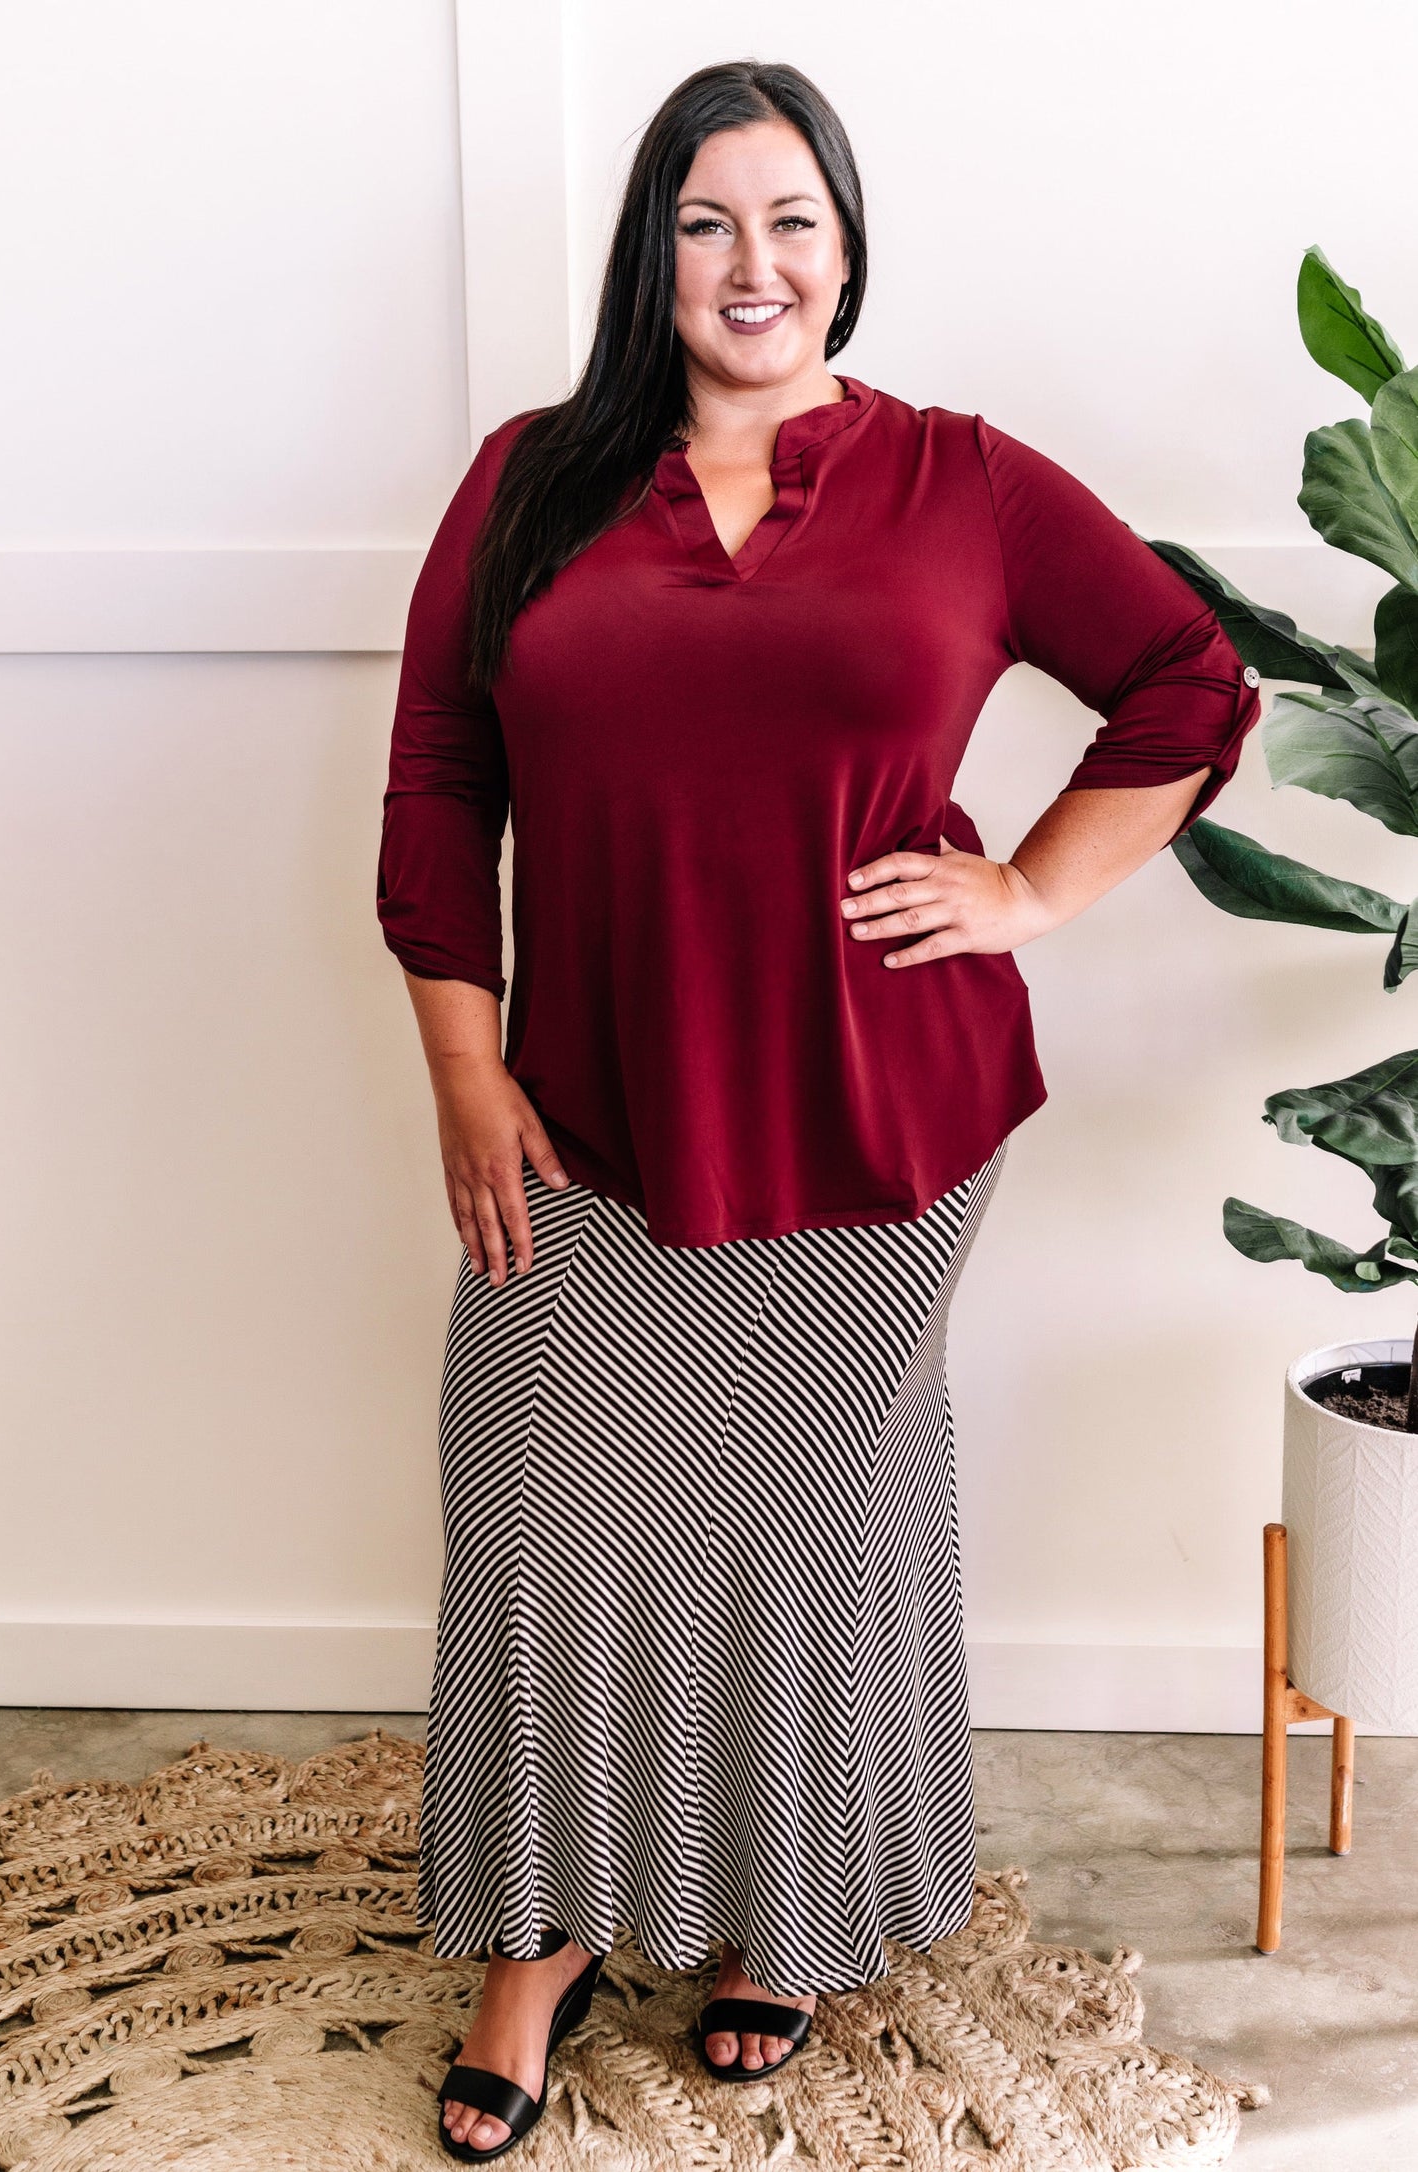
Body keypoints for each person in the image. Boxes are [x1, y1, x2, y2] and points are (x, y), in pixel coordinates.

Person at [376, 58, 1260, 2162]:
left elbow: (1188, 680)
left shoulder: (958, 478)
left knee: (808, 1529)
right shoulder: (530, 483)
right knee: (536, 1505)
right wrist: (461, 1067)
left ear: (849, 247)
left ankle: (783, 1918)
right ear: (651, 253)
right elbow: (437, 783)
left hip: (881, 1112)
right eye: (706, 221)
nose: (751, 264)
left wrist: (1033, 886)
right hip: (583, 1104)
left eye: (790, 221)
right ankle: (540, 1943)